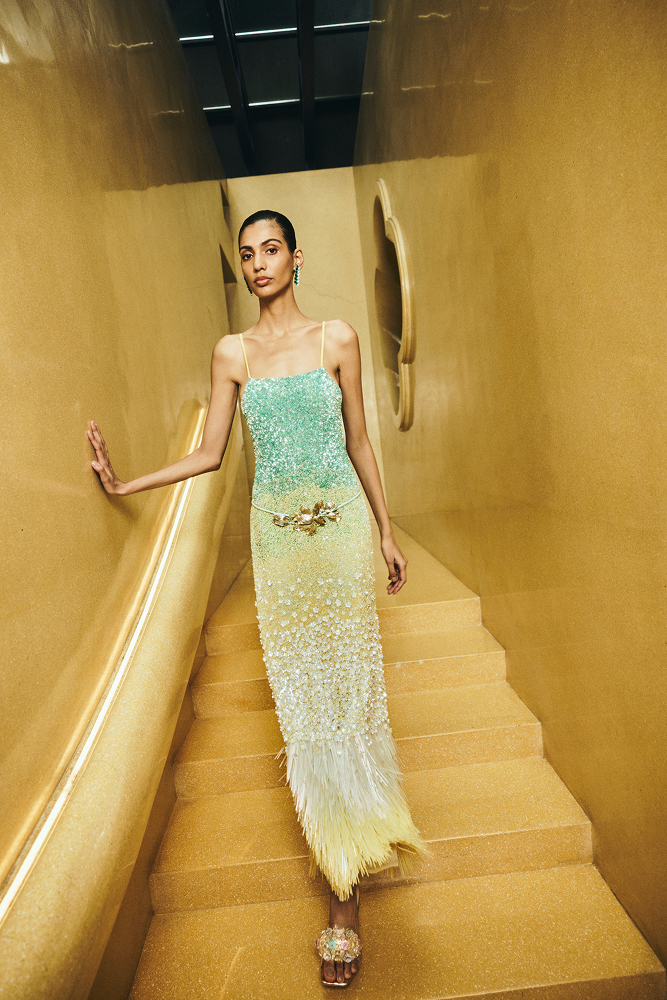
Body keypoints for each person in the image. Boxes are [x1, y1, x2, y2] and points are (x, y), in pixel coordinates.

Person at [88, 209, 424, 988]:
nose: (258, 263)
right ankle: (340, 856)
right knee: (303, 705)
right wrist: (127, 482)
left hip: (339, 533)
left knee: (348, 691)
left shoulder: (337, 338)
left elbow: (358, 441)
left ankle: (345, 895)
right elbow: (209, 453)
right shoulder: (231, 353)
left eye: (270, 249)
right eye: (247, 254)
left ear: (295, 258)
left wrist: (385, 530)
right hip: (277, 546)